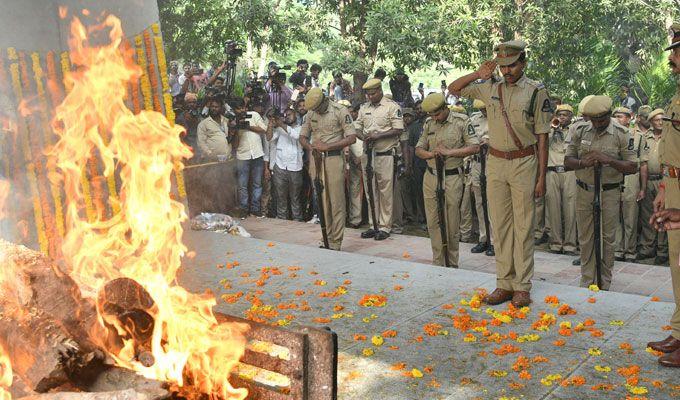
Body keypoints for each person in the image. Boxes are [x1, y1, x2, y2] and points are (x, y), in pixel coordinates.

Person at [448, 40, 552, 307]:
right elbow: (454, 89)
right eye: (503, 66)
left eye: (512, 65)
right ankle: (503, 283)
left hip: (524, 162)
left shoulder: (535, 91)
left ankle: (522, 286)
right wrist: (477, 74)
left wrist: (541, 176)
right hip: (495, 162)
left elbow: (542, 137)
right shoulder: (489, 87)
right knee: (501, 225)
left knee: (524, 225)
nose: (507, 71)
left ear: (523, 62)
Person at [564, 95, 637, 291]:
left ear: (608, 115)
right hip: (584, 191)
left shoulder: (622, 133)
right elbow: (567, 161)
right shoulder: (579, 130)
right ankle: (587, 280)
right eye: (593, 120)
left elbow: (632, 166)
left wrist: (609, 160)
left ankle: (604, 282)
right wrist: (582, 162)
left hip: (609, 192)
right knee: (586, 237)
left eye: (601, 120)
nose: (597, 124)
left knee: (607, 239)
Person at [646, 23, 680, 367]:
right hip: (674, 185)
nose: (672, 58)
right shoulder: (678, 94)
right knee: (678, 263)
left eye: (676, 51)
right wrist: (664, 187)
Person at [416, 93, 480, 267]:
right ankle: (438, 261)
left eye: (437, 114)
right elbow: (419, 148)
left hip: (452, 176)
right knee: (433, 222)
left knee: (451, 222)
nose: (435, 118)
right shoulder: (429, 124)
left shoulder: (461, 121)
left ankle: (452, 263)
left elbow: (474, 147)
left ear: (445, 108)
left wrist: (449, 153)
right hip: (431, 176)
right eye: (432, 115)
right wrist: (430, 154)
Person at [299, 88, 357, 250]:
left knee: (336, 201)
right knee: (322, 200)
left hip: (333, 158)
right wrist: (311, 148)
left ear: (325, 100)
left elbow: (351, 138)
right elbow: (302, 136)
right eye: (314, 109)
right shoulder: (311, 113)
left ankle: (335, 241)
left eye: (318, 107)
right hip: (316, 160)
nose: (317, 111)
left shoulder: (340, 110)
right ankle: (326, 237)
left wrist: (327, 146)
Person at [355, 78, 405, 240]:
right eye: (368, 94)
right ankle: (373, 224)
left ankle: (385, 226)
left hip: (385, 154)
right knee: (370, 191)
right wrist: (364, 137)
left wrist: (379, 135)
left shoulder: (392, 107)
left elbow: (398, 129)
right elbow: (356, 128)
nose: (370, 97)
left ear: (380, 91)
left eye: (373, 93)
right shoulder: (364, 108)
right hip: (368, 154)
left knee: (385, 192)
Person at [545, 104, 578, 255]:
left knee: (570, 208)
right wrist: (553, 129)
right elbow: (542, 145)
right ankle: (555, 243)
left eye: (565, 115)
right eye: (560, 114)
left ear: (571, 117)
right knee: (553, 208)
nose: (562, 117)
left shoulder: (576, 129)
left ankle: (570, 244)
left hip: (569, 172)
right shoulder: (550, 129)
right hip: (552, 171)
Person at [639, 108, 669, 264]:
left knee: (662, 214)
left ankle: (662, 250)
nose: (660, 122)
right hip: (648, 179)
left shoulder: (669, 137)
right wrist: (642, 187)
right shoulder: (645, 138)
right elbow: (642, 162)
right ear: (650, 121)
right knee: (647, 215)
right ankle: (647, 248)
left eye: (662, 119)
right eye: (657, 119)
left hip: (664, 180)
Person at [611, 107, 641, 262]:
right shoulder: (610, 135)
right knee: (615, 215)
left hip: (631, 178)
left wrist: (642, 187)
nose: (617, 119)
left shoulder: (638, 136)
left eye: (621, 116)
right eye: (615, 116)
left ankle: (630, 250)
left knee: (630, 216)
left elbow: (643, 164)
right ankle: (617, 248)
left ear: (629, 118)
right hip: (615, 177)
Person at [231, 98, 268, 217]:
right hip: (242, 155)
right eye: (239, 108)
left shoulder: (254, 115)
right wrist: (236, 129)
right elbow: (235, 145)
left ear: (246, 107)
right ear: (234, 110)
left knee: (257, 184)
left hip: (257, 154)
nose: (242, 110)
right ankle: (243, 209)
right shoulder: (233, 122)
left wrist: (248, 127)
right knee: (242, 185)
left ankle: (255, 209)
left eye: (243, 107)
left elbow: (264, 129)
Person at [466, 100, 495, 256]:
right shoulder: (475, 118)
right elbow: (469, 138)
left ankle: (495, 241)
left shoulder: (499, 117)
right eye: (481, 109)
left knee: (492, 202)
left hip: (493, 161)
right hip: (477, 162)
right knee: (479, 202)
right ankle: (484, 238)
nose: (484, 111)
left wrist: (490, 142)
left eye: (485, 108)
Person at [266, 107, 304, 221]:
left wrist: (281, 124)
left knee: (295, 199)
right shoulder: (280, 129)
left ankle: (297, 221)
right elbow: (269, 138)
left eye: (290, 114)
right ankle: (282, 222)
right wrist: (270, 125)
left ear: (296, 116)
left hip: (296, 168)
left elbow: (296, 136)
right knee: (281, 197)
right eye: (285, 115)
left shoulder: (301, 128)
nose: (287, 116)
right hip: (280, 167)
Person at [341, 100, 364, 229]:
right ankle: (353, 218)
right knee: (351, 190)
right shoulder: (345, 125)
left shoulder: (361, 124)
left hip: (363, 160)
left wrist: (360, 157)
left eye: (351, 112)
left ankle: (358, 219)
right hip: (349, 162)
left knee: (361, 190)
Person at [175, 92, 201, 158]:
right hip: (186, 146)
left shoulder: (199, 115)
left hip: (198, 146)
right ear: (185, 104)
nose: (192, 104)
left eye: (194, 102)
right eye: (189, 102)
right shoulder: (180, 117)